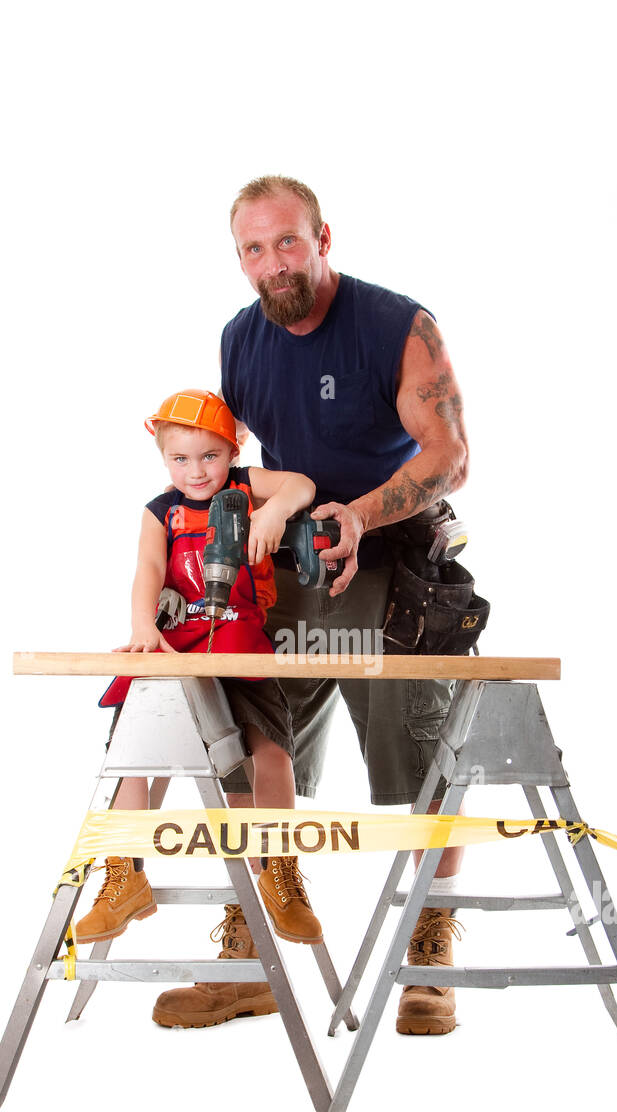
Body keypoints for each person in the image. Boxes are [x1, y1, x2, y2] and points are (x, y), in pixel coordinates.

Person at [160, 174, 471, 1037]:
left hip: (390, 567)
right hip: (286, 575)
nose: (272, 263)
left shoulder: (396, 326)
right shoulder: (241, 339)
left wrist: (360, 514)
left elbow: (451, 455)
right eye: (253, 249)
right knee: (250, 751)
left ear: (323, 236)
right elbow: (231, 463)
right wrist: (221, 534)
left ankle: (428, 945)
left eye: (286, 242)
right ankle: (251, 953)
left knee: (422, 761)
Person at [74, 388, 326, 1029]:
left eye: (209, 456)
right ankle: (123, 872)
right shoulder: (159, 512)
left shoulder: (245, 483)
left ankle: (279, 869)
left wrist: (273, 513)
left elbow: (300, 482)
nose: (196, 470)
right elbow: (146, 573)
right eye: (180, 458)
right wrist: (141, 630)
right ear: (163, 458)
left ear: (231, 451)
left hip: (240, 636)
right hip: (180, 637)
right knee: (139, 755)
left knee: (270, 750)